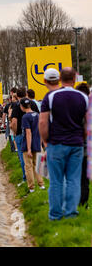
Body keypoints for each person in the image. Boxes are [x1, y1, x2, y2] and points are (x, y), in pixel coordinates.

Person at [39, 67, 88, 220]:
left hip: (56, 142)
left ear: (60, 79)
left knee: (56, 181)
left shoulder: (51, 96)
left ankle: (55, 214)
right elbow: (87, 123)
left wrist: (46, 140)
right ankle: (71, 213)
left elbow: (42, 122)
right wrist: (82, 138)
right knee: (74, 180)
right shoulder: (83, 97)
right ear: (74, 79)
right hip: (76, 143)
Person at [11, 87, 40, 184]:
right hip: (35, 135)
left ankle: (26, 179)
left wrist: (15, 133)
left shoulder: (16, 105)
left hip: (21, 134)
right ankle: (38, 179)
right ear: (25, 94)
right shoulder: (33, 103)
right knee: (35, 158)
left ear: (17, 95)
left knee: (24, 158)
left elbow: (14, 122)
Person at [20, 98, 45, 193]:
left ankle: (31, 187)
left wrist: (29, 148)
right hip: (37, 143)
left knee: (28, 166)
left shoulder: (25, 117)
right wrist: (41, 143)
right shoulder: (37, 115)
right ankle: (41, 184)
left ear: (22, 106)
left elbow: (28, 132)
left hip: (28, 145)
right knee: (38, 165)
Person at [75, 82, 90, 208]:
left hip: (76, 146)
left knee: (75, 178)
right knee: (85, 179)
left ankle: (78, 203)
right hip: (86, 148)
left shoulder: (77, 108)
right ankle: (84, 204)